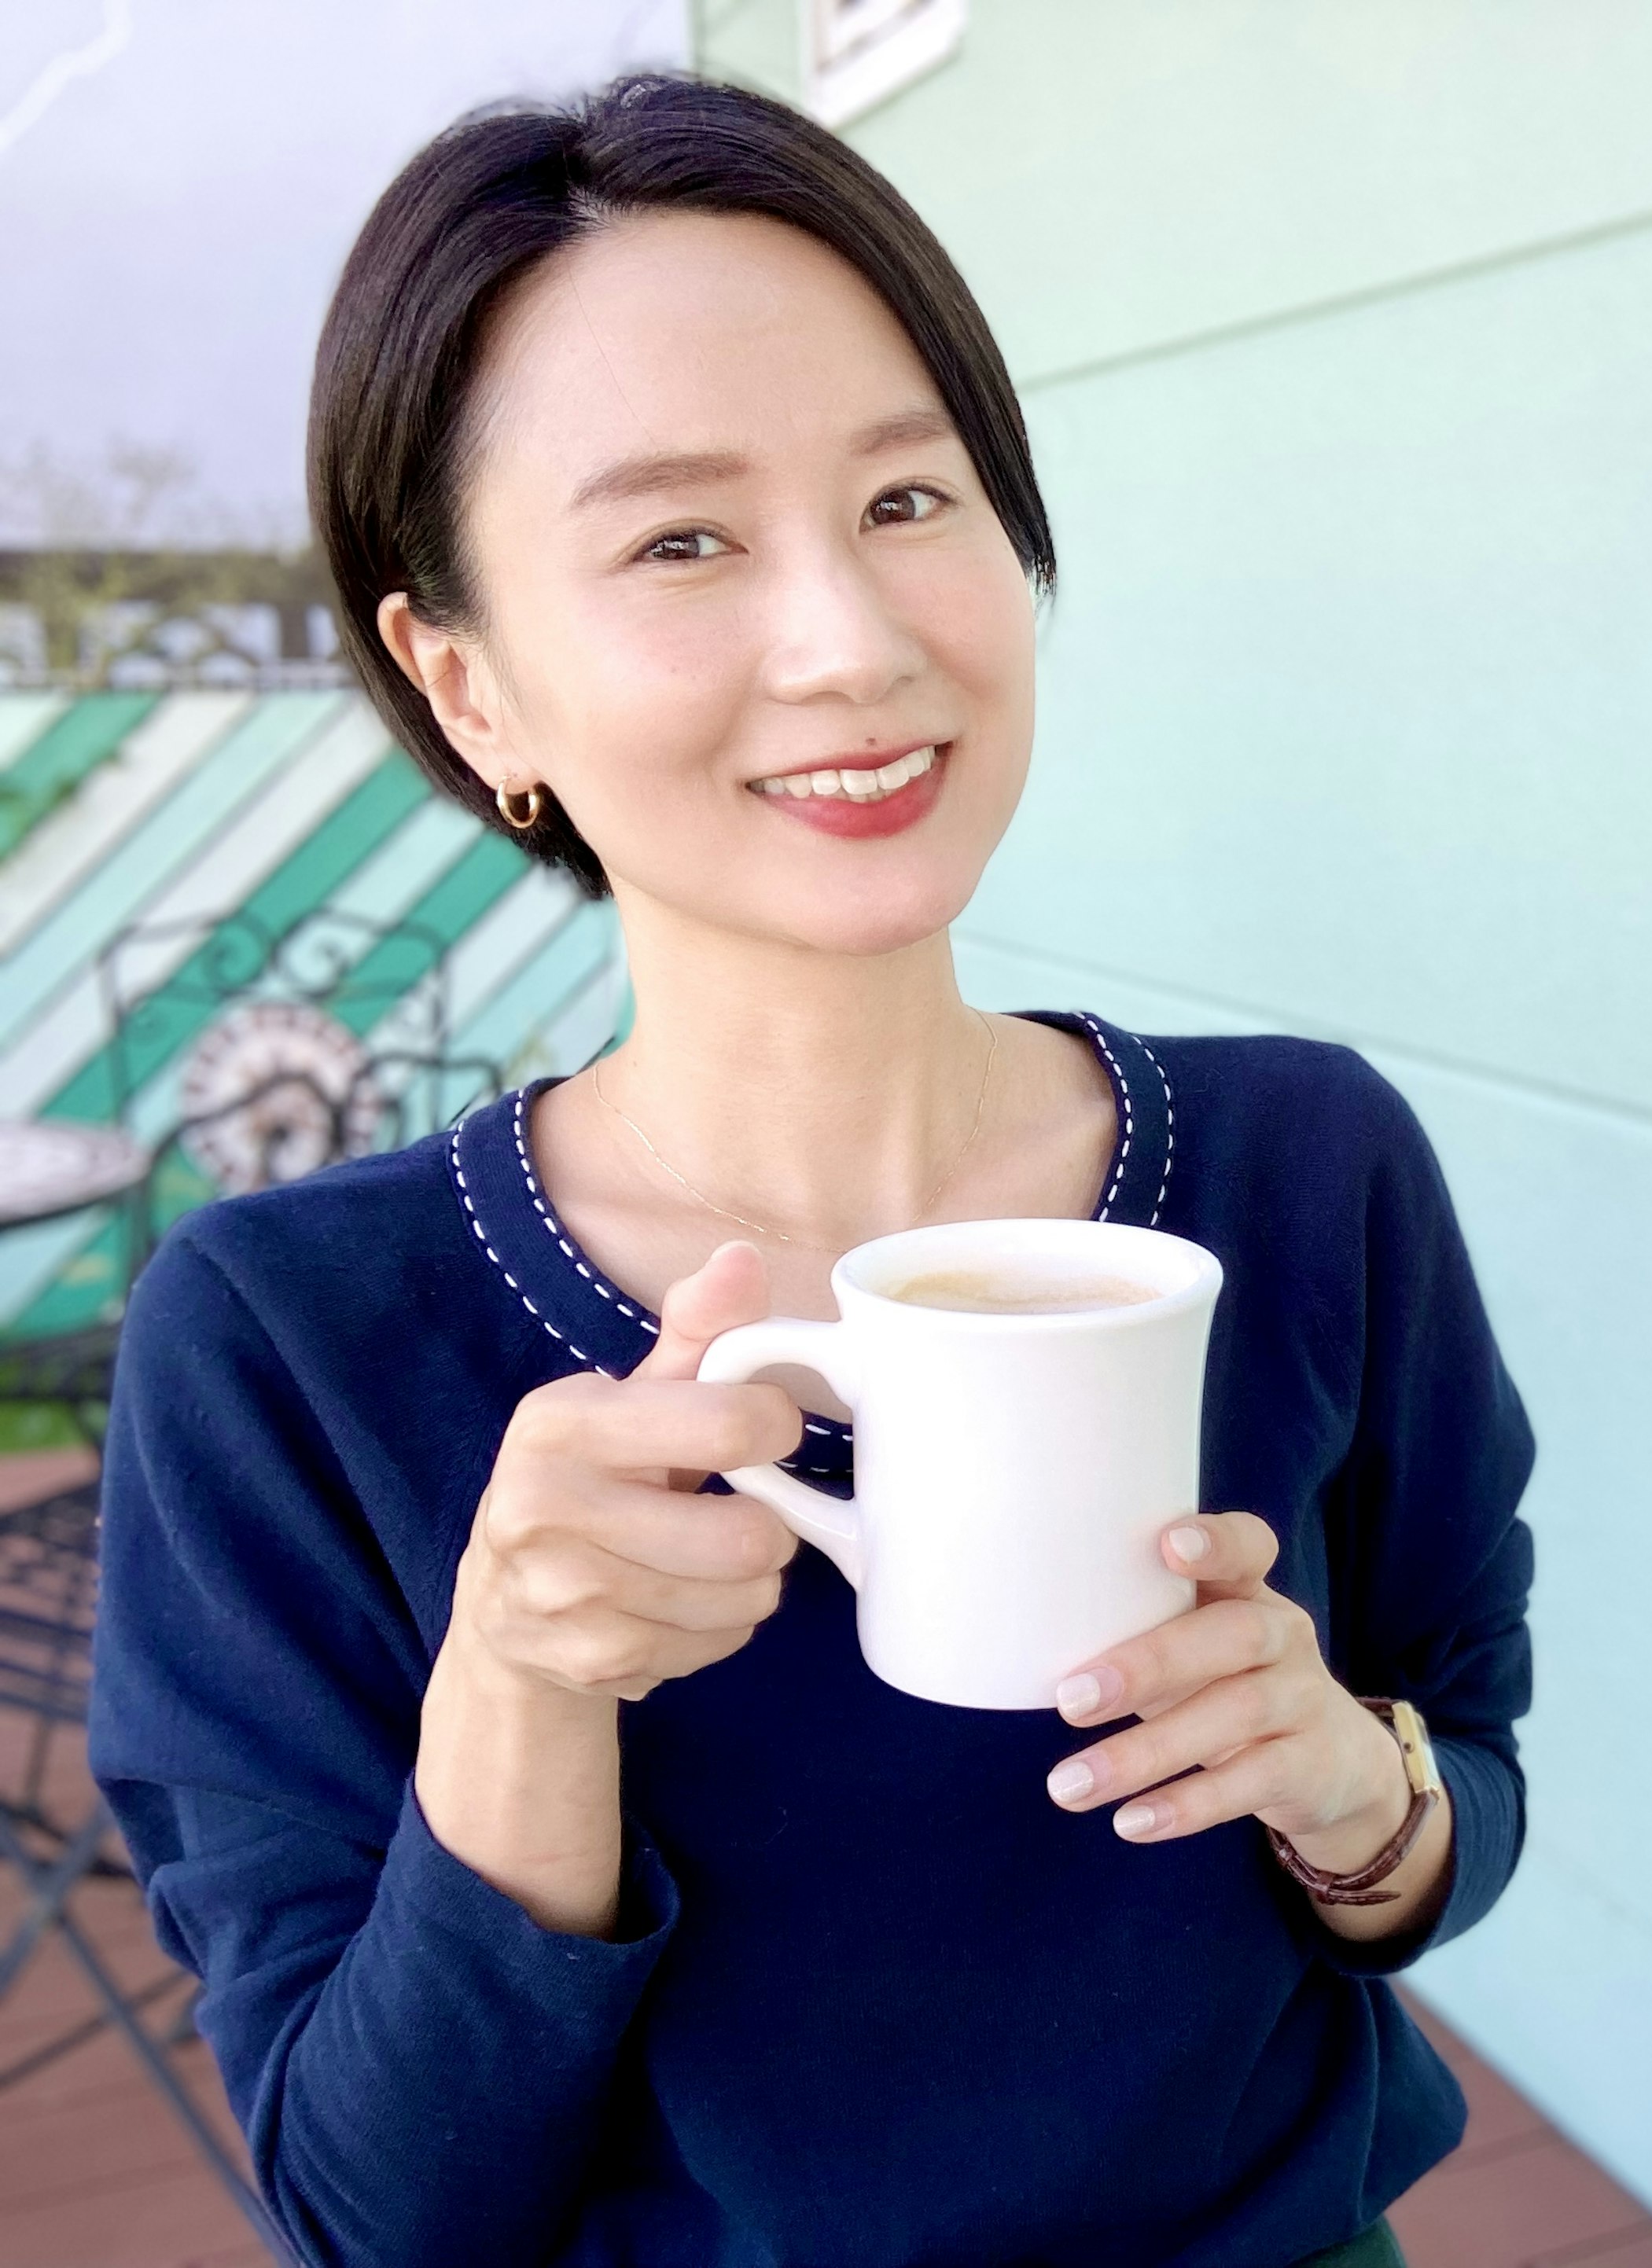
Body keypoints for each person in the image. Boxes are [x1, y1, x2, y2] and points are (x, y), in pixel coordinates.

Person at [86, 73, 1533, 2268]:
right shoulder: (292, 1343)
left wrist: (1366, 1800)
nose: (853, 642)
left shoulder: (1306, 1167)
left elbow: (1467, 1760)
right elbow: (380, 2219)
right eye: (680, 540)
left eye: (908, 498)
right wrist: (525, 1689)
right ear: (464, 680)